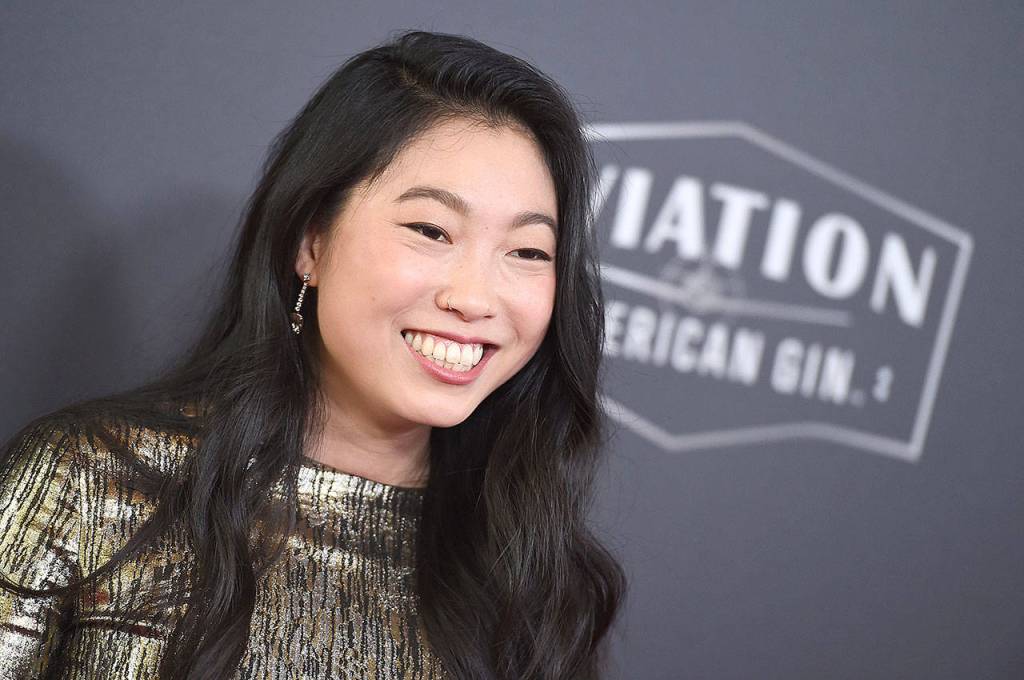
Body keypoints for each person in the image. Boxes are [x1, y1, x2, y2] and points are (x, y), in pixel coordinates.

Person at [0, 30, 626, 680]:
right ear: (311, 242)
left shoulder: (538, 582)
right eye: (431, 230)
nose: (474, 298)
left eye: (527, 251)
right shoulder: (92, 483)